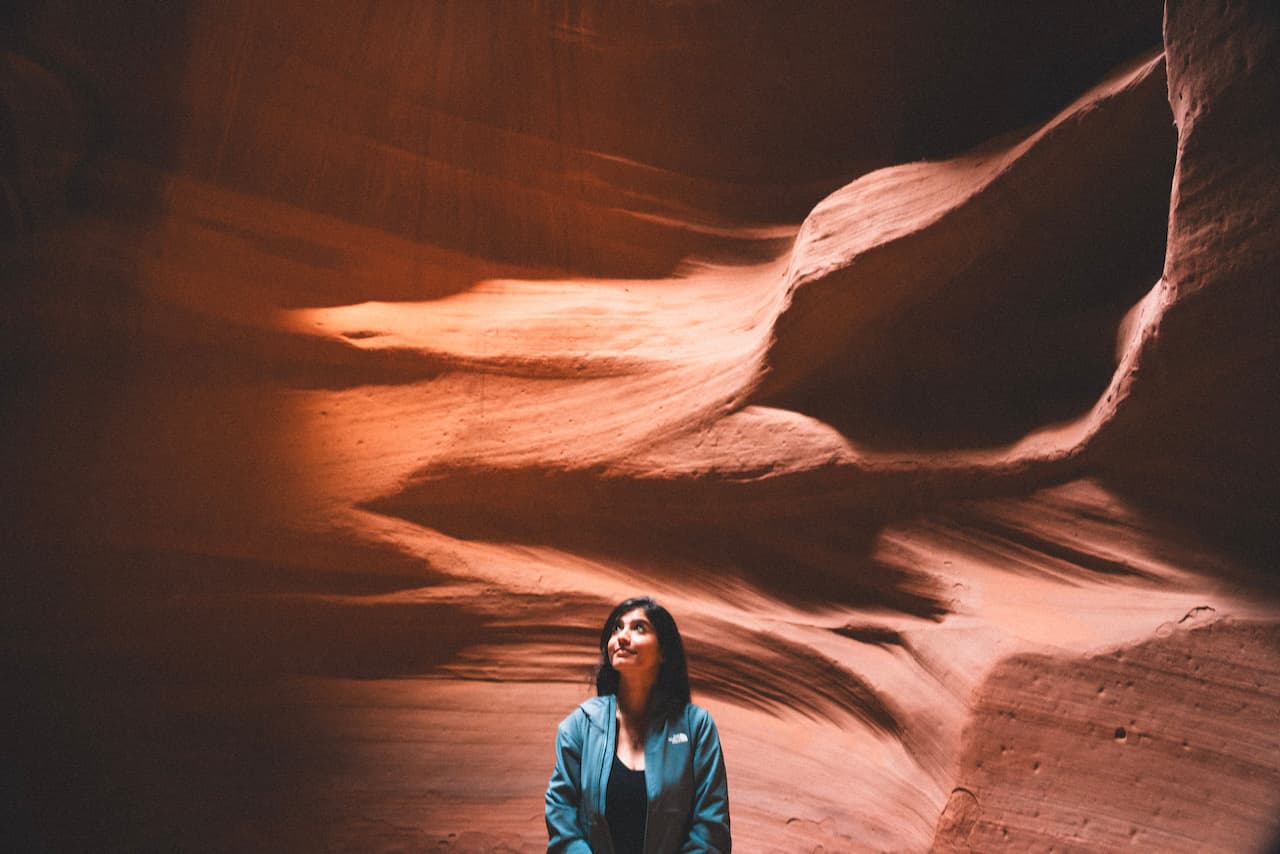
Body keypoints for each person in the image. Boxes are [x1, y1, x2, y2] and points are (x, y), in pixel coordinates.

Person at [545, 596, 731, 853]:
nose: (622, 637)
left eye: (638, 628)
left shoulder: (696, 727)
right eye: (616, 628)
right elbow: (561, 816)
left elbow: (711, 831)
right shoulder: (580, 725)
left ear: (664, 651)